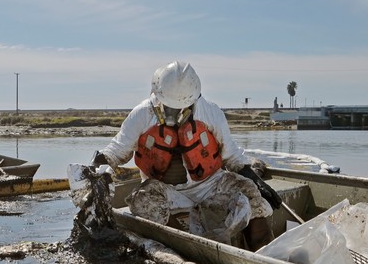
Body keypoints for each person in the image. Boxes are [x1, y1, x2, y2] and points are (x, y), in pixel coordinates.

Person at [86, 61, 282, 251]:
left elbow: (231, 155)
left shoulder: (210, 112)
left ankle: (264, 250)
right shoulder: (141, 115)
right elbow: (117, 150)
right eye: (169, 106)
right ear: (157, 95)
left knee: (248, 190)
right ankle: (188, 246)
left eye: (180, 108)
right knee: (142, 200)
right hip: (167, 191)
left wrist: (256, 180)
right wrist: (95, 166)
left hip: (210, 186)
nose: (174, 113)